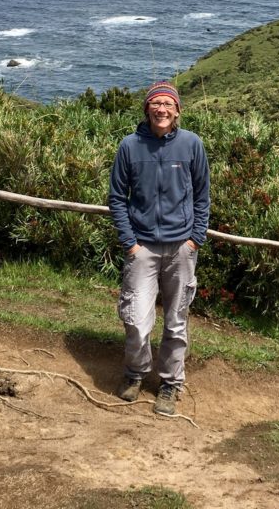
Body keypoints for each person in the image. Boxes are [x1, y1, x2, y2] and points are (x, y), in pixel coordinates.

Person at [108, 81, 210, 415]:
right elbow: (116, 198)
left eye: (168, 104)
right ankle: (136, 373)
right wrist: (130, 243)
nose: (162, 109)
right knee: (136, 317)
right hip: (142, 248)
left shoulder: (192, 145)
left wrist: (195, 238)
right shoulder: (129, 146)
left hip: (182, 246)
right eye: (156, 103)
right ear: (147, 109)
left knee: (176, 320)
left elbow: (202, 196)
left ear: (177, 110)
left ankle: (169, 384)